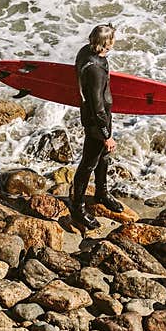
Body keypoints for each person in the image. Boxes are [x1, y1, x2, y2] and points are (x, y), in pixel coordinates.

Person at [71, 24, 125, 229]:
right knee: (88, 163)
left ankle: (102, 193)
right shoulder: (95, 70)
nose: (114, 42)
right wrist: (106, 135)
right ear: (106, 43)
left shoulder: (86, 52)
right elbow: (97, 106)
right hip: (96, 121)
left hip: (98, 117)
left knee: (103, 156)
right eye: (112, 39)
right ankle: (77, 206)